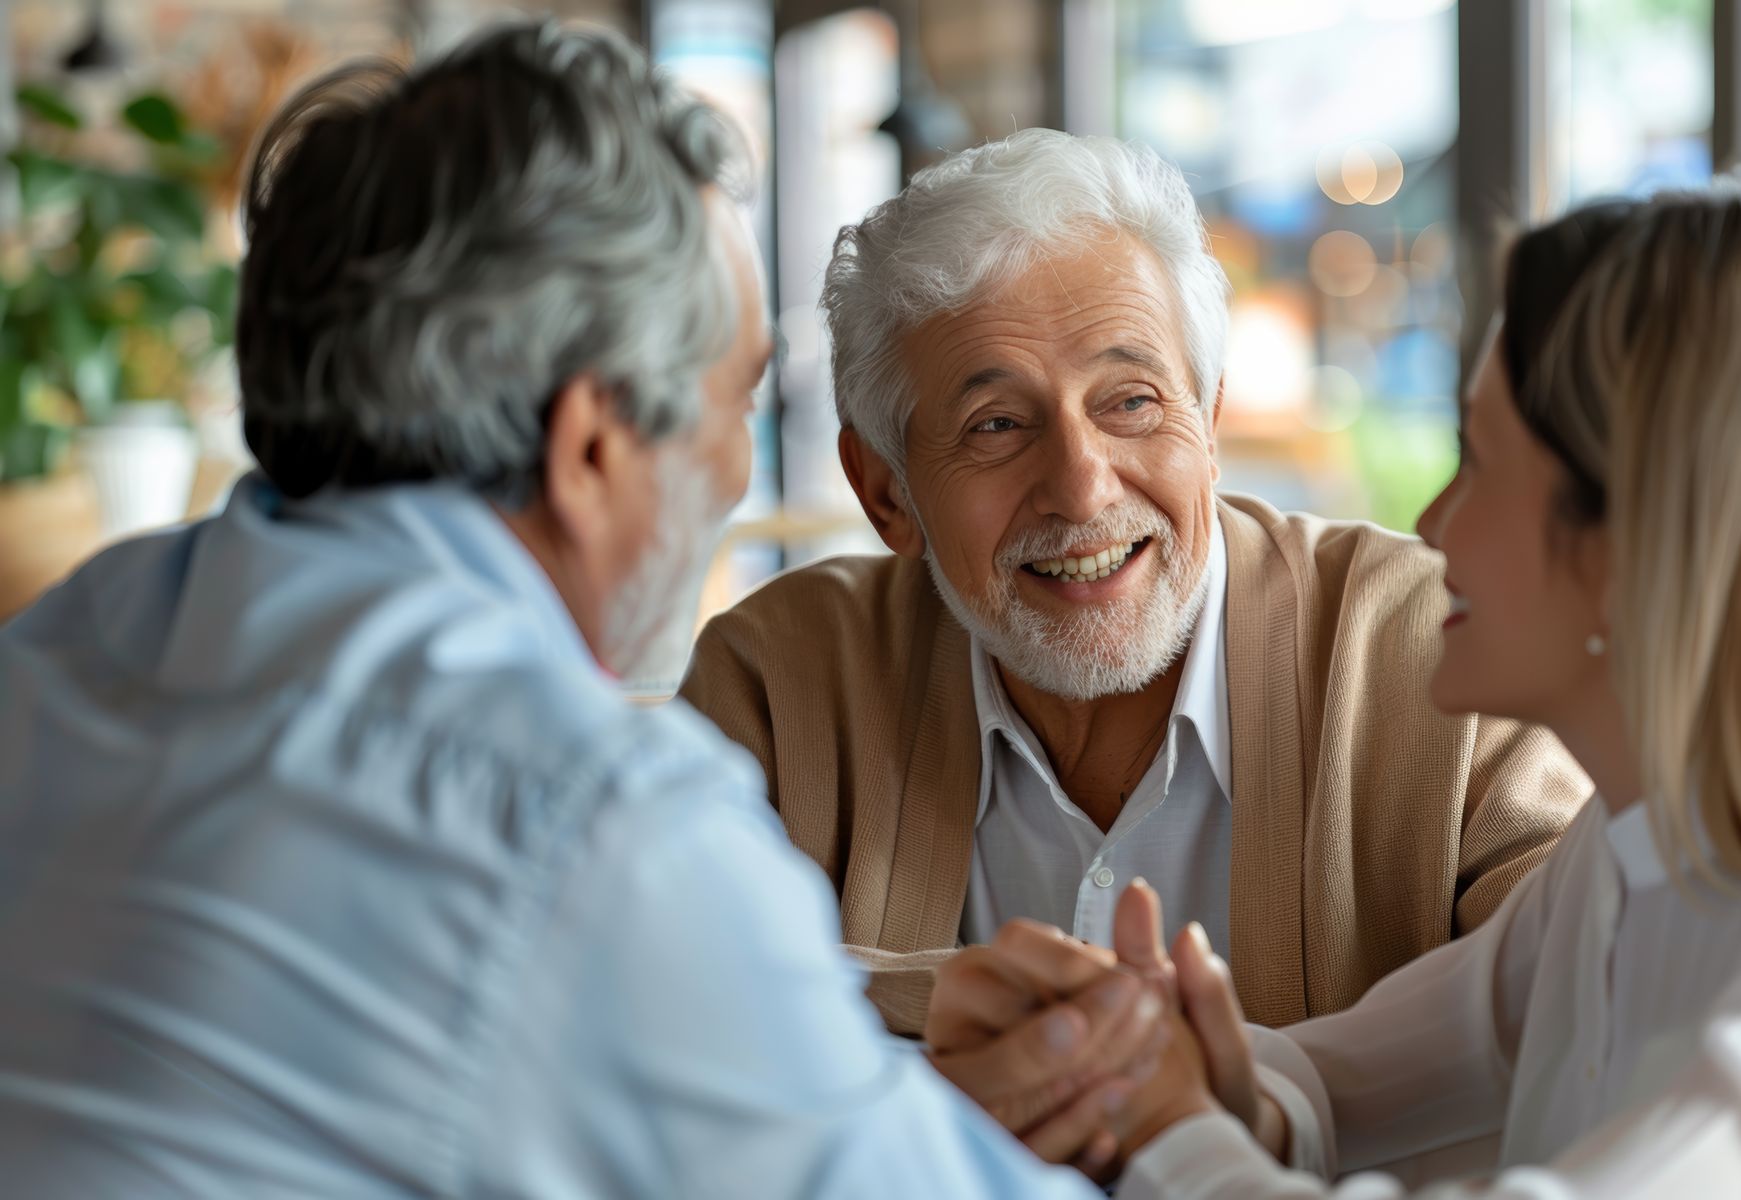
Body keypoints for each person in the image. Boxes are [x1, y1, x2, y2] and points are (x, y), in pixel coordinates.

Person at [0, 22, 1235, 1198]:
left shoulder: (60, 652)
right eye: (736, 404)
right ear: (591, 450)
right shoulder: (590, 822)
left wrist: (866, 1080)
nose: (737, 476)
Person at [937, 179, 1741, 1196]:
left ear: (1636, 538)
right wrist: (1146, 1059)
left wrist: (1167, 1119)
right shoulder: (1623, 862)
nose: (1433, 524)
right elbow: (1338, 1077)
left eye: (1478, 463)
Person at [679, 128, 1589, 1036]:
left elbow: (1601, 1012)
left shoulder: (1446, 658)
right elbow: (651, 1014)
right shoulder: (779, 684)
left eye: (1132, 402)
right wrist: (962, 1012)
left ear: (1211, 421)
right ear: (886, 490)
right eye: (996, 425)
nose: (1082, 487)